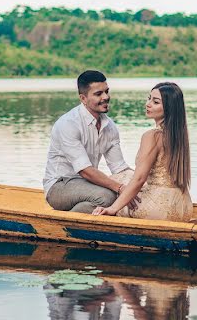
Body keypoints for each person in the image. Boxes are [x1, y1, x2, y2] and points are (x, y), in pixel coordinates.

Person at [93, 82, 193, 222]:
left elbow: (140, 178)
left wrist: (113, 209)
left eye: (155, 102)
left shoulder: (152, 136)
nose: (148, 104)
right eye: (149, 98)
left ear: (169, 107)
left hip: (159, 208)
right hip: (184, 206)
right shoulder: (179, 135)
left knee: (114, 185)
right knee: (121, 178)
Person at [43, 70, 138, 214]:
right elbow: (85, 171)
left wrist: (139, 181)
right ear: (83, 98)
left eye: (106, 91)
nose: (106, 97)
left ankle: (79, 215)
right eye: (98, 94)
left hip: (86, 185)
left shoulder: (109, 126)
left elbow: (119, 167)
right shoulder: (68, 124)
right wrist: (120, 188)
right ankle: (67, 223)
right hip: (59, 186)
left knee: (132, 191)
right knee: (109, 196)